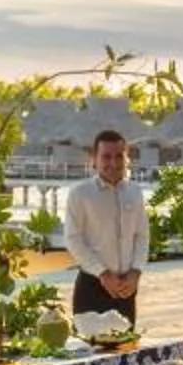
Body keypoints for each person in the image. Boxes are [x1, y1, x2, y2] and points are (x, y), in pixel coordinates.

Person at [61, 129, 149, 326]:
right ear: (95, 159)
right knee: (90, 343)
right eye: (106, 157)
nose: (113, 163)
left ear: (127, 159)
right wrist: (103, 274)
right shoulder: (80, 194)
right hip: (92, 285)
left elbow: (142, 236)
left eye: (119, 156)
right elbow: (73, 239)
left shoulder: (135, 192)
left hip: (126, 288)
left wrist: (136, 272)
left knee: (126, 343)